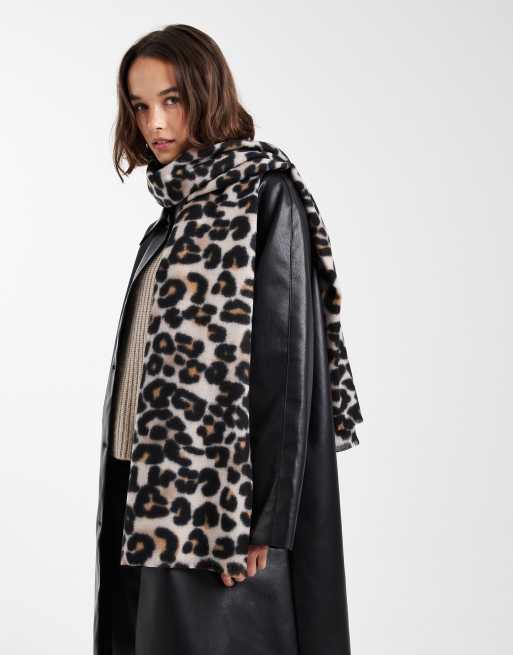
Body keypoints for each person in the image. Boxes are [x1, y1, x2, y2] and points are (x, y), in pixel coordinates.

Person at [94, 23, 363, 655]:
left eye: (171, 100)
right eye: (140, 106)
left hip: (215, 504)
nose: (155, 123)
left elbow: (287, 369)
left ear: (206, 92)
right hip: (142, 483)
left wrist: (265, 519)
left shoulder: (265, 197)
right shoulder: (172, 217)